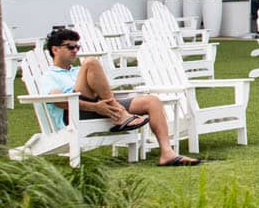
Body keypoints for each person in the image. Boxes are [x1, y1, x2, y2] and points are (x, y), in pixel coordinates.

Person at [40, 27, 198, 166]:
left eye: (77, 47)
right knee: (91, 62)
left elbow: (103, 91)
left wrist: (104, 104)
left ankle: (167, 153)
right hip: (75, 114)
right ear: (55, 50)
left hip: (103, 106)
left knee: (152, 101)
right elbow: (59, 101)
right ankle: (121, 113)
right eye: (70, 47)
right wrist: (96, 107)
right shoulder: (50, 76)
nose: (75, 50)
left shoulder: (77, 71)